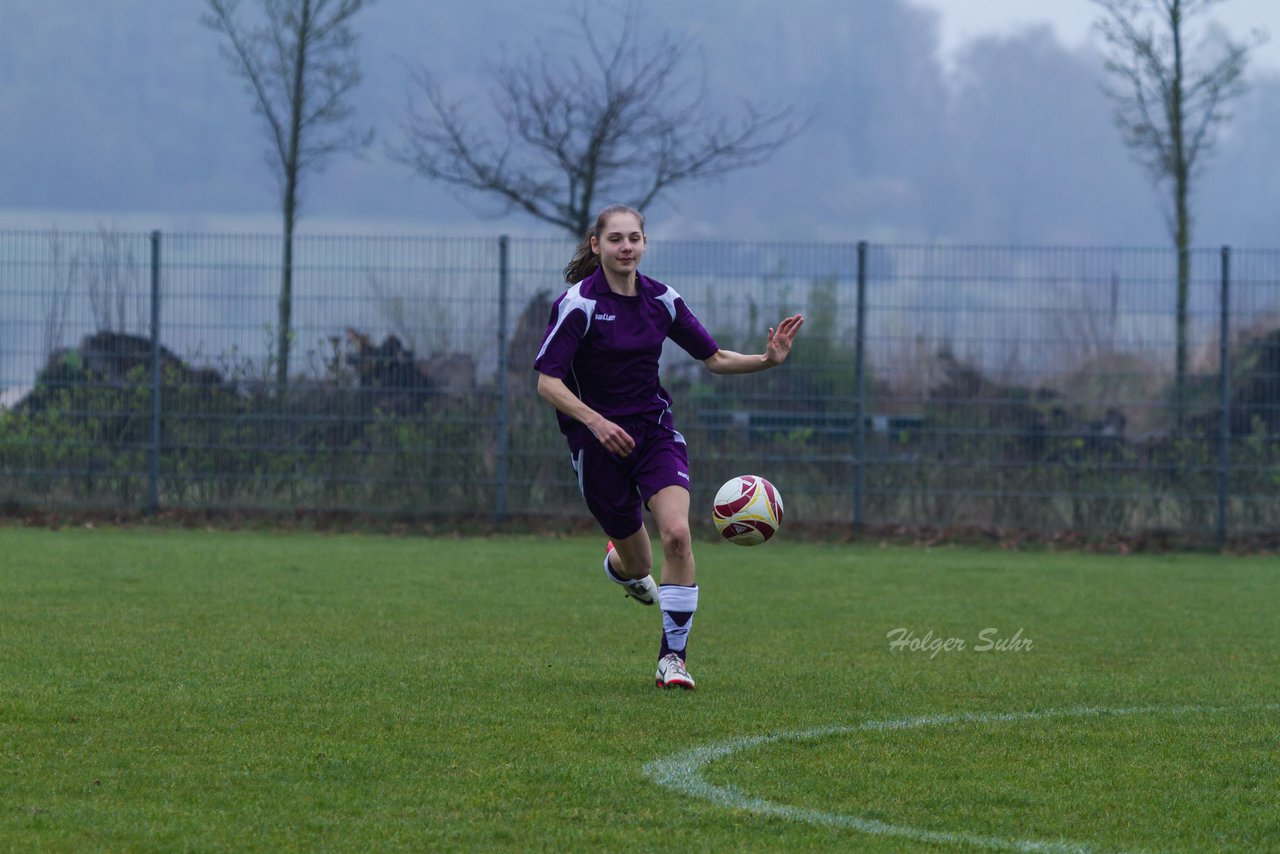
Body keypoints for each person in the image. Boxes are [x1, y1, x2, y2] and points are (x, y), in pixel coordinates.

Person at [533, 204, 803, 690]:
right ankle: (621, 567)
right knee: (639, 563)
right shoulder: (578, 304)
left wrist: (768, 359)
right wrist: (595, 423)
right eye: (615, 239)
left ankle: (671, 660)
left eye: (634, 238)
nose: (626, 247)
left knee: (677, 534)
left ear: (644, 243)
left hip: (655, 432)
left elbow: (715, 357)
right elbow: (547, 383)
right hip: (597, 445)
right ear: (597, 246)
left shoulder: (662, 300)